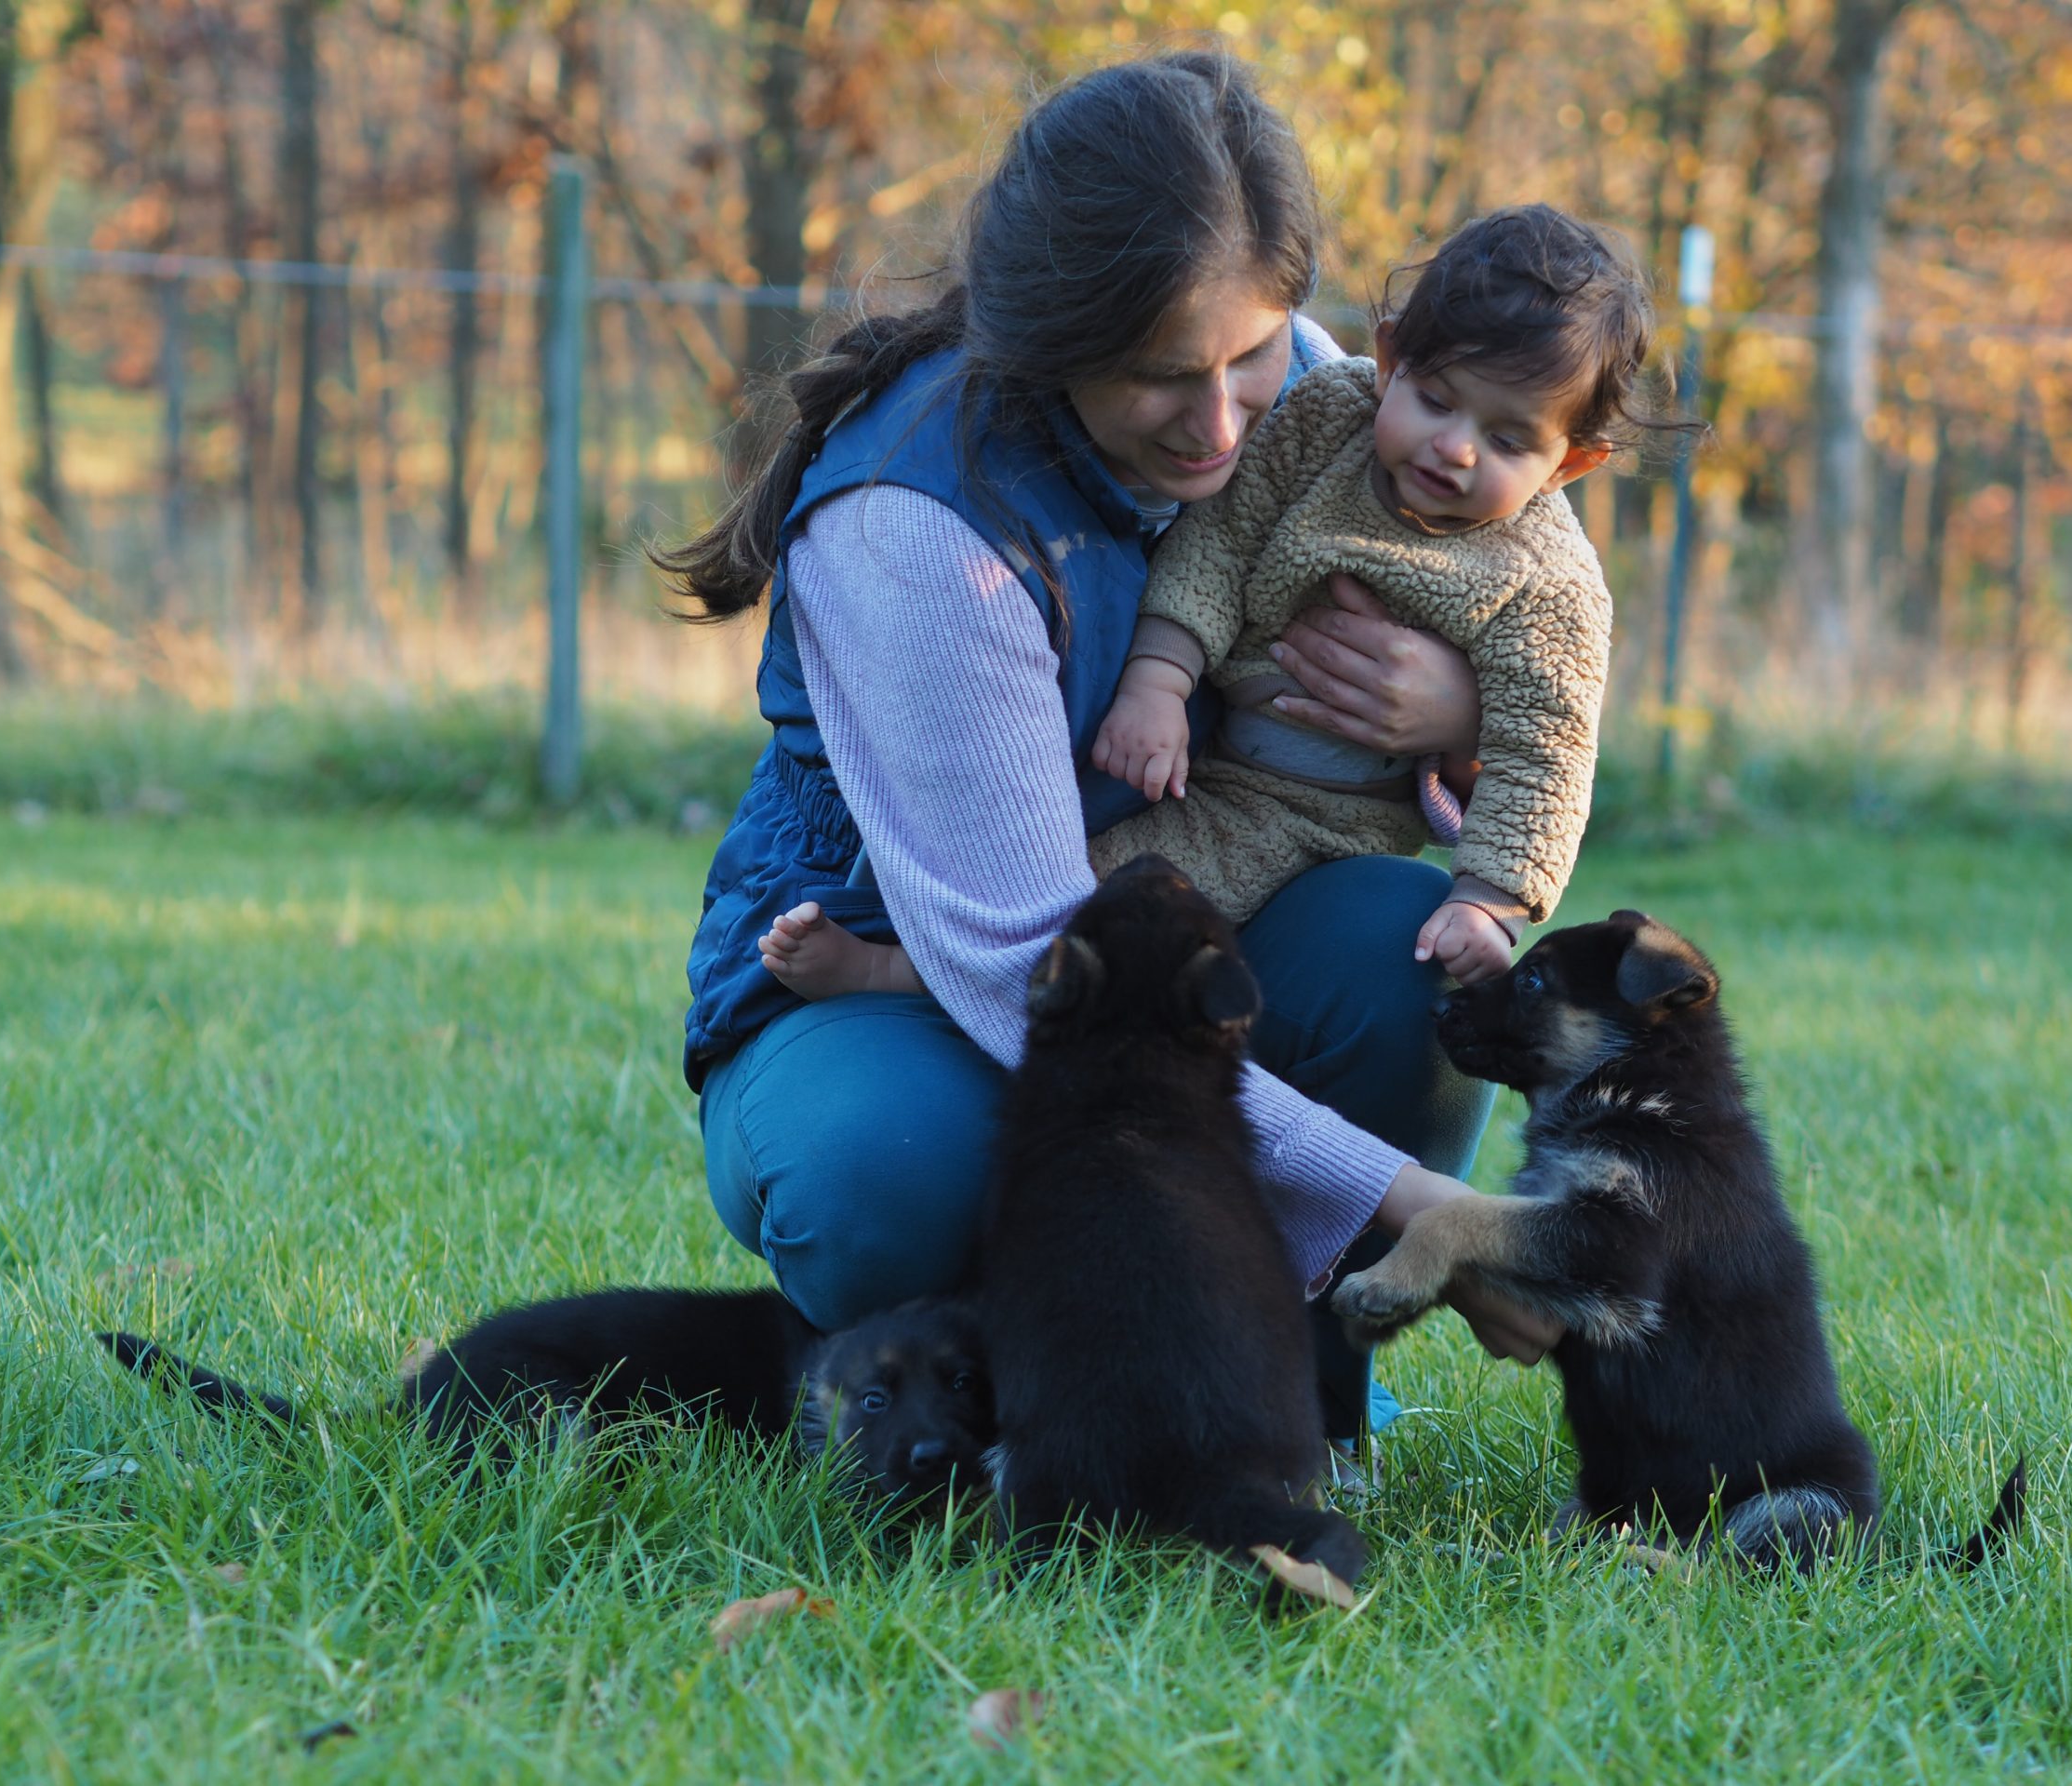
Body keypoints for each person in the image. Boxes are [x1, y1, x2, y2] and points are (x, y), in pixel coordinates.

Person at [653, 50, 1561, 1447]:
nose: (1222, 422)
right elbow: (1030, 968)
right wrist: (1416, 1208)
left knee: (1418, 959)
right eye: (1162, 377)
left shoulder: (1315, 397)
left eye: (1252, 355)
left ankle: (1293, 1387)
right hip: (898, 981)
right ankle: (970, 1394)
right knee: (894, 1167)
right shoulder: (917, 528)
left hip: (1185, 909)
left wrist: (1460, 719)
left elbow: (1524, 632)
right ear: (1053, 342)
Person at [768, 205, 1647, 1001]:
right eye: (1436, 401)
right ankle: (914, 966)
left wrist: (1489, 901)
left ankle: (895, 975)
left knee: (1138, 908)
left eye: (1506, 439)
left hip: (1319, 816)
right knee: (1088, 882)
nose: (1454, 449)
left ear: (1570, 462)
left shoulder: (1548, 582)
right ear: (1389, 361)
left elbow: (1548, 755)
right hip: (1214, 762)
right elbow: (1219, 544)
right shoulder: (1325, 417)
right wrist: (1159, 682)